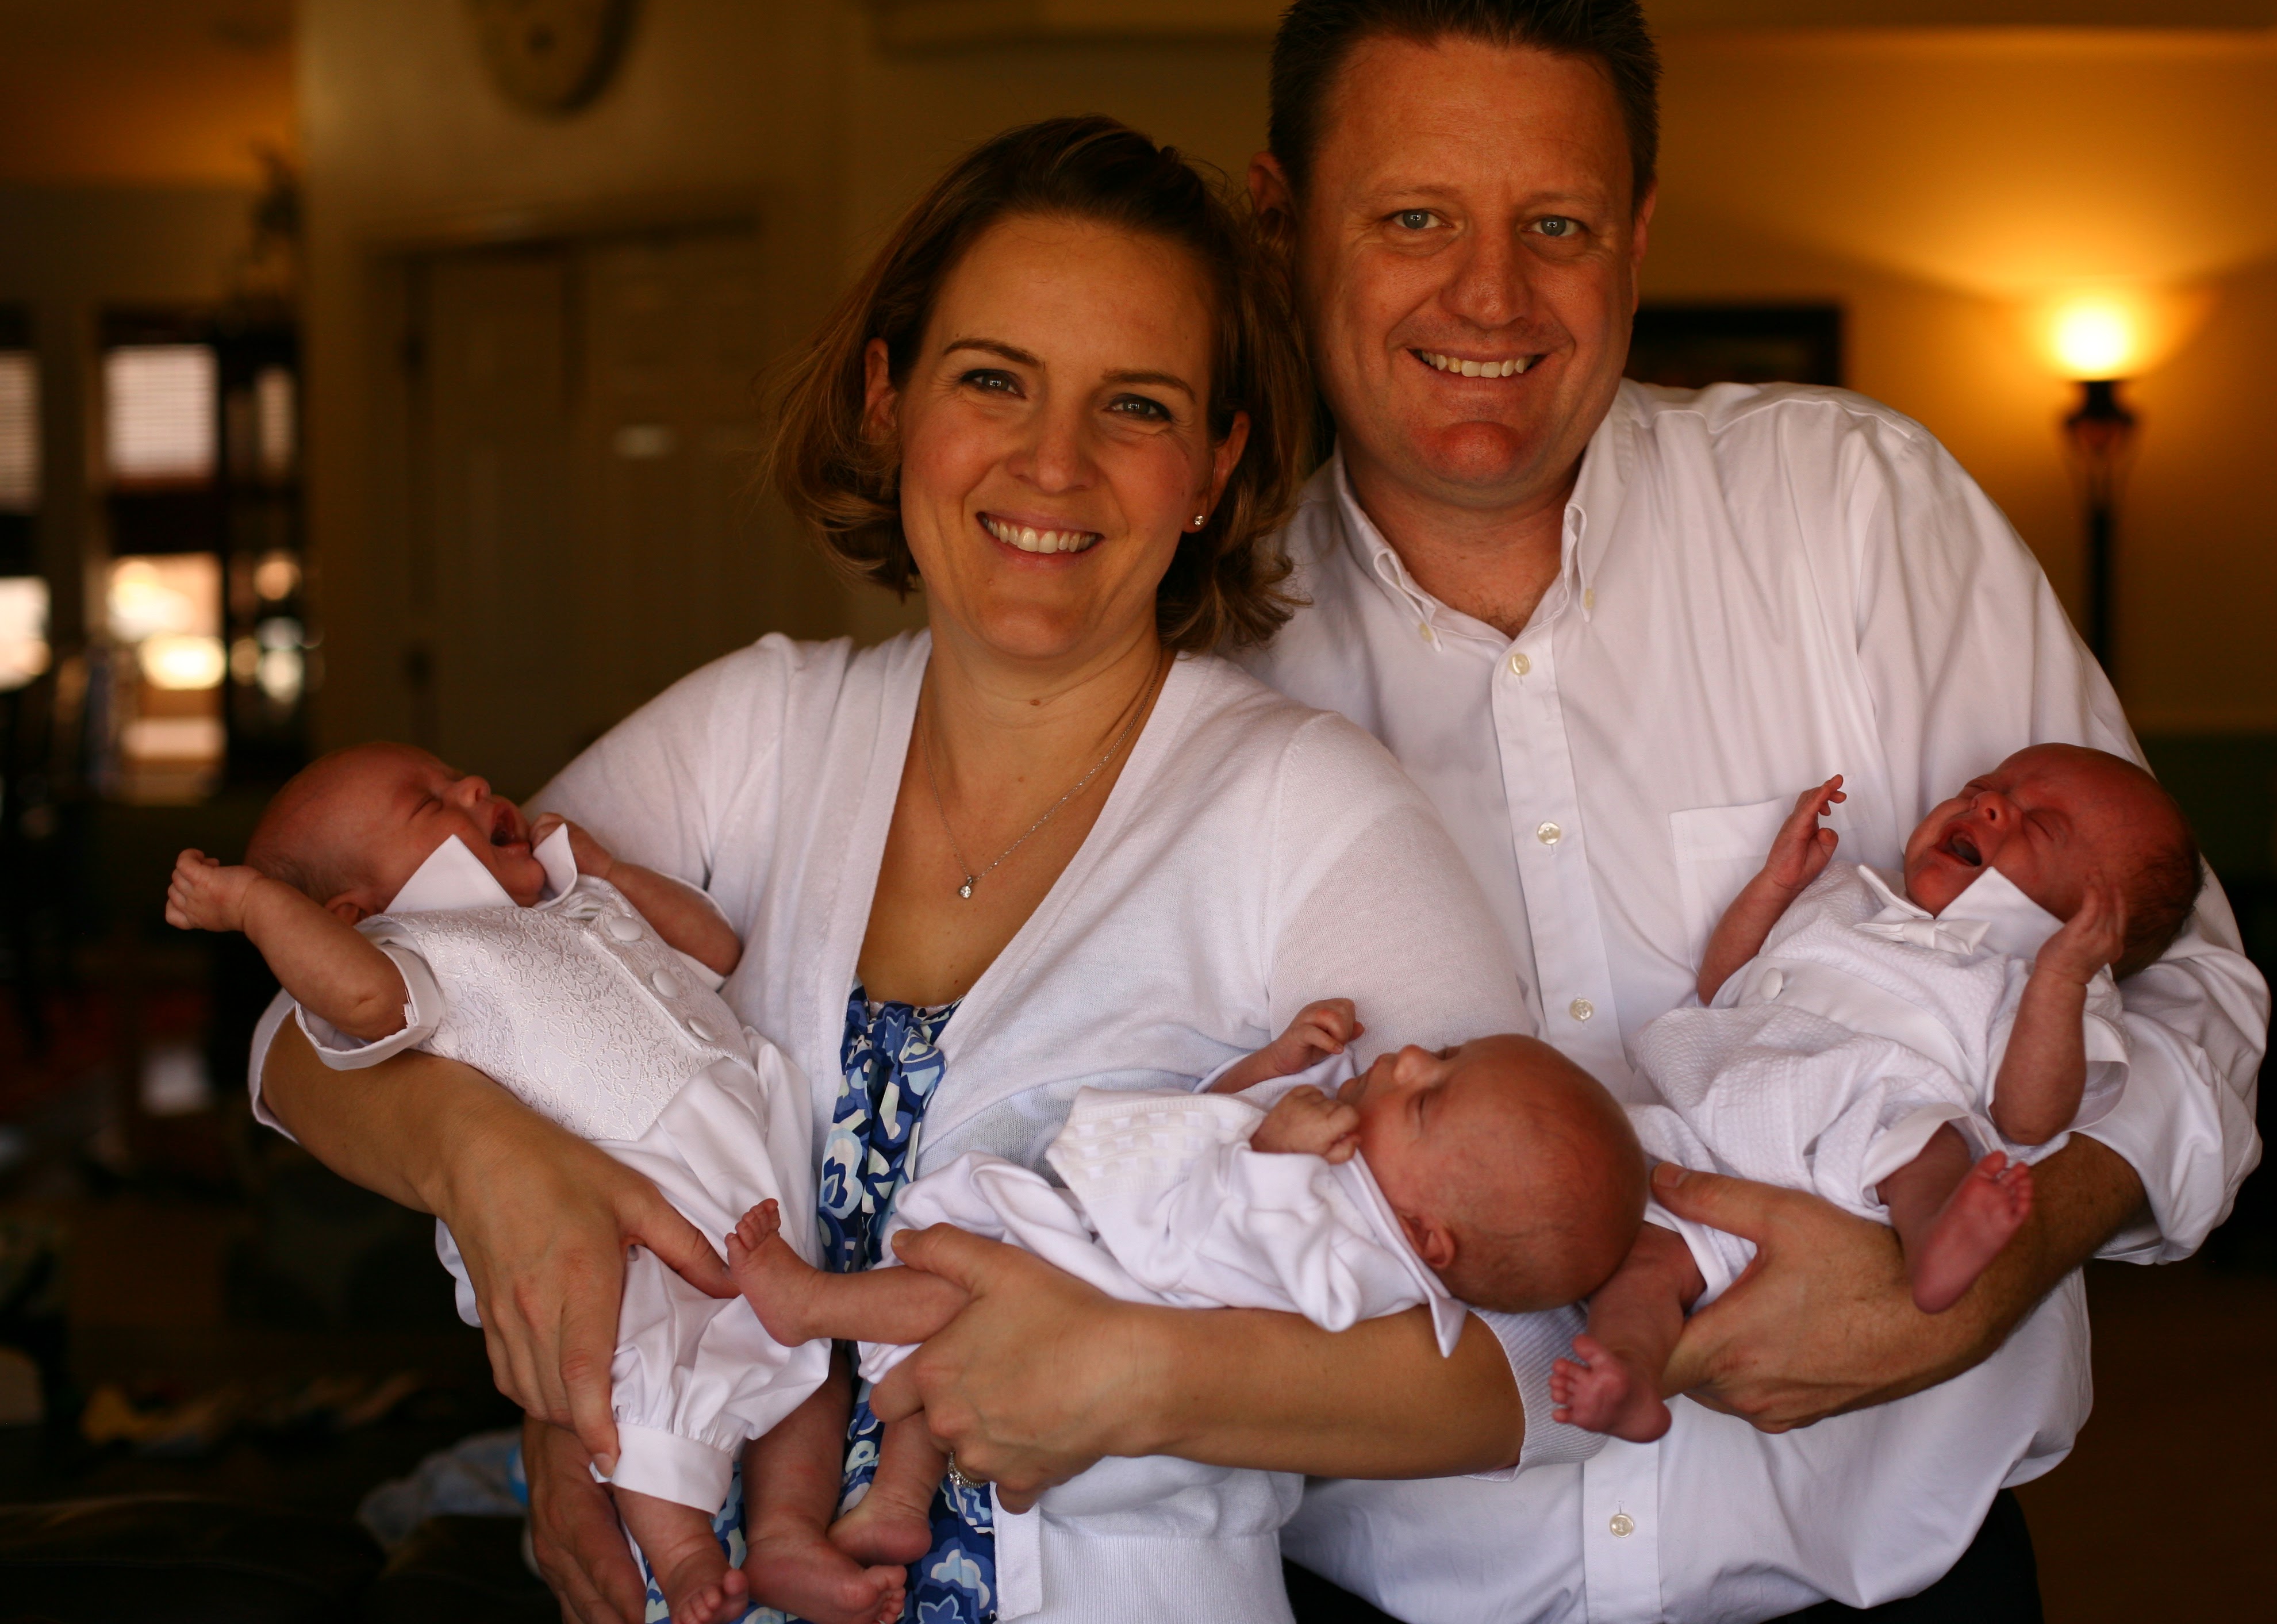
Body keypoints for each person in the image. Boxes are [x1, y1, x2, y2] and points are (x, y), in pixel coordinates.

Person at [869, 0, 2270, 1619]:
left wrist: (1986, 1270)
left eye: (1558, 224)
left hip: (1899, 1597)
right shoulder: (1169, 648)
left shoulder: (1854, 512)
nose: (1492, 298)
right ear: (1282, 222)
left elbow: (2187, 993)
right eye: (1413, 219)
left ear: (1638, 235)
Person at [251, 115, 1537, 1624]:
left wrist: (1143, 1378)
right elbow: (302, 1027)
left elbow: (1548, 1342)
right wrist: (486, 1163)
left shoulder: (1301, 810)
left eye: (1135, 404)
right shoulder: (757, 732)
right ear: (888, 399)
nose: (1052, 462)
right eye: (993, 379)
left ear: (1215, 466)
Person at [166, 743, 868, 1624]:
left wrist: (615, 876)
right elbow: (357, 1004)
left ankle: (787, 1537)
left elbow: (716, 950)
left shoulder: (576, 900)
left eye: (455, 776)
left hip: (753, 1174)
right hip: (621, 1211)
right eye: (428, 803)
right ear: (355, 913)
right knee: (646, 1392)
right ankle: (686, 1556)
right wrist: (254, 908)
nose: (472, 786)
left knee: (806, 1365)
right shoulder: (408, 951)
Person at [719, 1024, 1644, 1609]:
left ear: (1430, 1240)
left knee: (953, 1287)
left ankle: (812, 1307)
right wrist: (1272, 1070)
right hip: (1099, 1288)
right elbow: (1198, 1128)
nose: (1407, 1059)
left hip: (1112, 1306)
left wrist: (1276, 1155)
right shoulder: (1361, 1172)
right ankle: (895, 1503)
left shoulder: (1366, 1265)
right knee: (946, 1356)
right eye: (1442, 1052)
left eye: (1429, 1094)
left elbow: (1254, 1248)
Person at [1553, 745, 2202, 1443]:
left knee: (1933, 1142)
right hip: (1718, 1116)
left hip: (1866, 1138)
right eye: (1981, 788)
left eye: (2041, 826)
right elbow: (1725, 984)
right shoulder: (1849, 892)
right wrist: (1777, 883)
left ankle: (1937, 1245)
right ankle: (1630, 1371)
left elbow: (2030, 1116)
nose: (1988, 805)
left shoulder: (2044, 979)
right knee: (1643, 1258)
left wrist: (2062, 979)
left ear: (2095, 926)